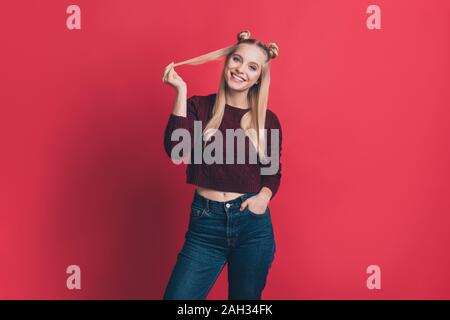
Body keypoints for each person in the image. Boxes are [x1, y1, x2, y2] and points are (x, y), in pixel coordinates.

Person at [161, 30, 282, 300]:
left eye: (252, 67)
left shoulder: (268, 120)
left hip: (252, 227)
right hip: (205, 226)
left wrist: (263, 196)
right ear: (227, 61)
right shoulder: (199, 107)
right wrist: (181, 92)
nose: (241, 70)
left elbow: (272, 173)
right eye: (237, 59)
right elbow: (176, 152)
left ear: (259, 78)